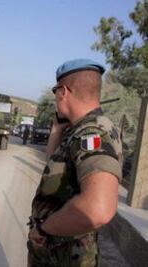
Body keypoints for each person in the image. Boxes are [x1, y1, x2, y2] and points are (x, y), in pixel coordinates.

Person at [27, 59, 123, 266]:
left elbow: (99, 208)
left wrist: (44, 229)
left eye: (55, 93)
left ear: (63, 92)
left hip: (67, 255)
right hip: (55, 251)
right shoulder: (78, 130)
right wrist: (57, 128)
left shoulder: (92, 133)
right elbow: (52, 165)